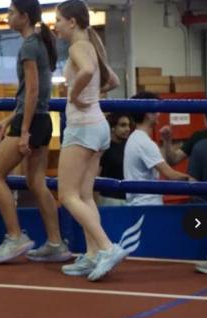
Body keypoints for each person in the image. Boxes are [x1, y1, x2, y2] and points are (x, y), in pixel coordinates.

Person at [0, 0, 71, 264]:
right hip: (42, 120)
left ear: (23, 17)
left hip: (31, 122)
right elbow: (33, 95)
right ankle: (56, 243)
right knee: (36, 183)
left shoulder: (28, 47)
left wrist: (22, 131)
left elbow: (33, 91)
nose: (8, 16)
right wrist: (8, 120)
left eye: (11, 12)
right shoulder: (39, 43)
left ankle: (15, 236)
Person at [54, 0, 131, 281]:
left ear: (72, 22)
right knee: (85, 195)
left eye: (59, 21)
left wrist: (74, 95)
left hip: (82, 127)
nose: (56, 27)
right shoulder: (93, 44)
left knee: (67, 195)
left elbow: (86, 71)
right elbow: (112, 80)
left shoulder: (78, 47)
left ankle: (107, 247)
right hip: (97, 126)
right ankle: (90, 255)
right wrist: (93, 96)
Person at [123, 91, 193, 206]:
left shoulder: (136, 138)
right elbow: (170, 175)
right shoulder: (143, 142)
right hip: (146, 205)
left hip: (140, 204)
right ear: (148, 114)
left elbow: (160, 163)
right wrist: (196, 182)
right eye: (156, 109)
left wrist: (166, 141)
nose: (159, 113)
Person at [98, 113, 132, 206]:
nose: (127, 129)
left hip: (129, 197)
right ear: (112, 128)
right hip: (109, 199)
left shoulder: (130, 145)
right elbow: (95, 176)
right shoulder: (104, 148)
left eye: (128, 125)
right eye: (123, 125)